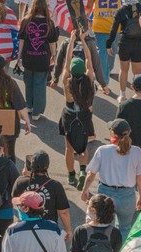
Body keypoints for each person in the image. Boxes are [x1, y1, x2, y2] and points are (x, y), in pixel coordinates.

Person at [81, 119, 141, 240]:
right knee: (125, 228)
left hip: (105, 195)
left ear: (112, 133)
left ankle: (105, 251)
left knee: (103, 225)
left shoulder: (103, 151)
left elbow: (91, 174)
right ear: (129, 132)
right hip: (127, 195)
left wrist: (85, 190)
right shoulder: (136, 152)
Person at [59, 30, 96, 189]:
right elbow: (89, 59)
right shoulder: (89, 79)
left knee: (69, 148)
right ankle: (82, 169)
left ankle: (71, 175)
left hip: (69, 115)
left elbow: (66, 61)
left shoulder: (66, 80)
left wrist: (72, 41)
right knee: (84, 146)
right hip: (84, 115)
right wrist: (83, 40)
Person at [12, 151, 72, 240]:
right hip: (48, 230)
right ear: (47, 166)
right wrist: (69, 231)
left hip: (25, 229)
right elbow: (63, 212)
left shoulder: (20, 182)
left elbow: (15, 201)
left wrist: (25, 176)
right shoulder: (55, 185)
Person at [17, 0, 58, 121]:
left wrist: (19, 56)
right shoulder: (49, 22)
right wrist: (54, 55)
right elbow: (52, 42)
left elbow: (22, 40)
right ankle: (37, 112)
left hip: (28, 57)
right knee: (40, 84)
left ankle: (29, 105)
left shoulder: (25, 21)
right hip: (43, 58)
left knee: (28, 82)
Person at [106, 0, 141, 102]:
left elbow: (113, 30)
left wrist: (108, 44)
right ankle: (138, 94)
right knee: (137, 71)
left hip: (125, 43)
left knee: (123, 70)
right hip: (138, 43)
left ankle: (122, 95)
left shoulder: (120, 11)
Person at [90, 0, 121, 87]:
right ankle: (104, 80)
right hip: (113, 25)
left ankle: (106, 73)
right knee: (107, 52)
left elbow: (89, 6)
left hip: (102, 25)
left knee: (104, 52)